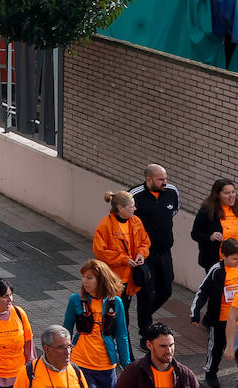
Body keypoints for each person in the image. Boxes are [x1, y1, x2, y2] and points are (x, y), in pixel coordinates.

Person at [131, 164, 180, 338]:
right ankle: (146, 332)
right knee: (145, 293)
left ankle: (144, 314)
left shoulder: (172, 192)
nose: (165, 182)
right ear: (149, 179)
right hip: (145, 256)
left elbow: (174, 210)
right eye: (161, 180)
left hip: (165, 252)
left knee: (166, 290)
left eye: (166, 178)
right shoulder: (135, 196)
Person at [65, 258, 131, 388]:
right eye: (83, 277)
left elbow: (122, 335)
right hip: (79, 363)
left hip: (107, 365)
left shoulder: (116, 302)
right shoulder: (75, 300)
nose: (85, 281)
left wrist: (127, 366)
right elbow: (65, 330)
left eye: (89, 277)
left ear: (101, 280)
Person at [190, 239, 238, 388]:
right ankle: (210, 373)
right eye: (234, 258)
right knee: (215, 348)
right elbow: (202, 291)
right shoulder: (217, 270)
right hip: (219, 320)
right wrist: (195, 313)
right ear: (223, 256)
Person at [94, 190, 151, 318]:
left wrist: (141, 254)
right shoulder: (106, 225)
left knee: (123, 313)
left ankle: (122, 337)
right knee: (115, 314)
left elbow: (145, 242)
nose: (135, 209)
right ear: (120, 208)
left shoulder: (136, 222)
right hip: (114, 278)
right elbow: (100, 251)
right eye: (131, 206)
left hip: (130, 277)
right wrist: (123, 259)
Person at [194, 178, 238, 276]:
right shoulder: (207, 211)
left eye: (233, 192)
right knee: (218, 291)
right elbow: (195, 234)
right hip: (217, 264)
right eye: (227, 193)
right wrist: (210, 237)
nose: (231, 196)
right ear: (218, 195)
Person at [119, 323, 198, 388]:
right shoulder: (133, 372)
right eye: (163, 346)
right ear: (149, 345)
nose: (169, 351)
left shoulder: (185, 375)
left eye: (171, 345)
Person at [13, 326, 89, 388]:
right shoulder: (29, 372)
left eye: (69, 346)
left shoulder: (76, 371)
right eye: (61, 347)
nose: (67, 352)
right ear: (47, 349)